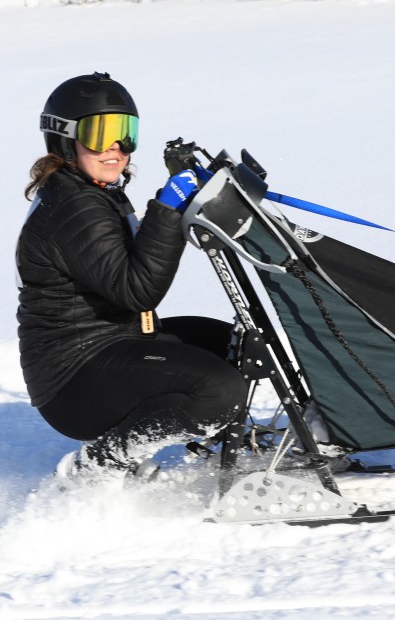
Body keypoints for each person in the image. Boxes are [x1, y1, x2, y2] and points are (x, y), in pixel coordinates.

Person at [16, 72, 248, 480]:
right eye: (101, 133)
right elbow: (137, 289)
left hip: (108, 344)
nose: (117, 148)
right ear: (65, 138)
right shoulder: (73, 208)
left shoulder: (86, 192)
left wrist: (177, 206)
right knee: (219, 390)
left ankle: (220, 445)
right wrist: (167, 212)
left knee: (229, 344)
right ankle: (100, 465)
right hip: (75, 379)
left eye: (126, 133)